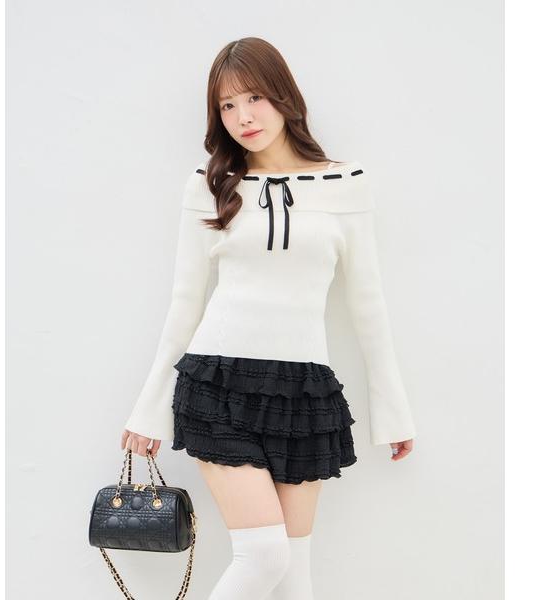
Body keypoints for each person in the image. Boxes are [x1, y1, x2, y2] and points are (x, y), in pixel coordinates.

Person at [120, 36, 416, 600]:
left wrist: (393, 410)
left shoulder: (344, 184)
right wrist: (149, 406)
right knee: (263, 556)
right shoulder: (208, 185)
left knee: (294, 574)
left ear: (284, 96)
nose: (243, 117)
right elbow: (185, 301)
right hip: (217, 385)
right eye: (227, 105)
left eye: (254, 97)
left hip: (304, 392)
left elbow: (368, 302)